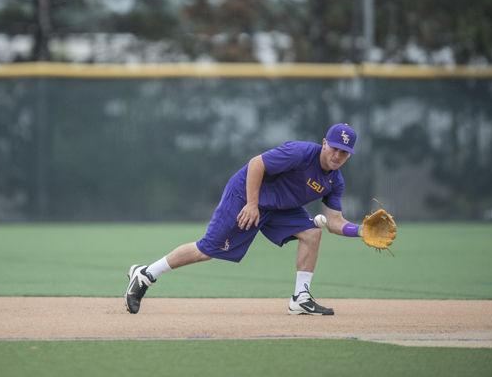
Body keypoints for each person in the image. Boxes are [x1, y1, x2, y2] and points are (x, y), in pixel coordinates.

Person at [125, 123, 363, 316]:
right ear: (324, 144)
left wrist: (360, 231)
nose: (338, 155)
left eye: (344, 152)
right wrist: (251, 204)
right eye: (334, 148)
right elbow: (256, 163)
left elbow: (334, 221)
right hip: (246, 194)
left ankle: (301, 298)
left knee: (313, 233)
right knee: (206, 250)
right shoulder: (300, 153)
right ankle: (146, 274)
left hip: (279, 207)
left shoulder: (335, 181)